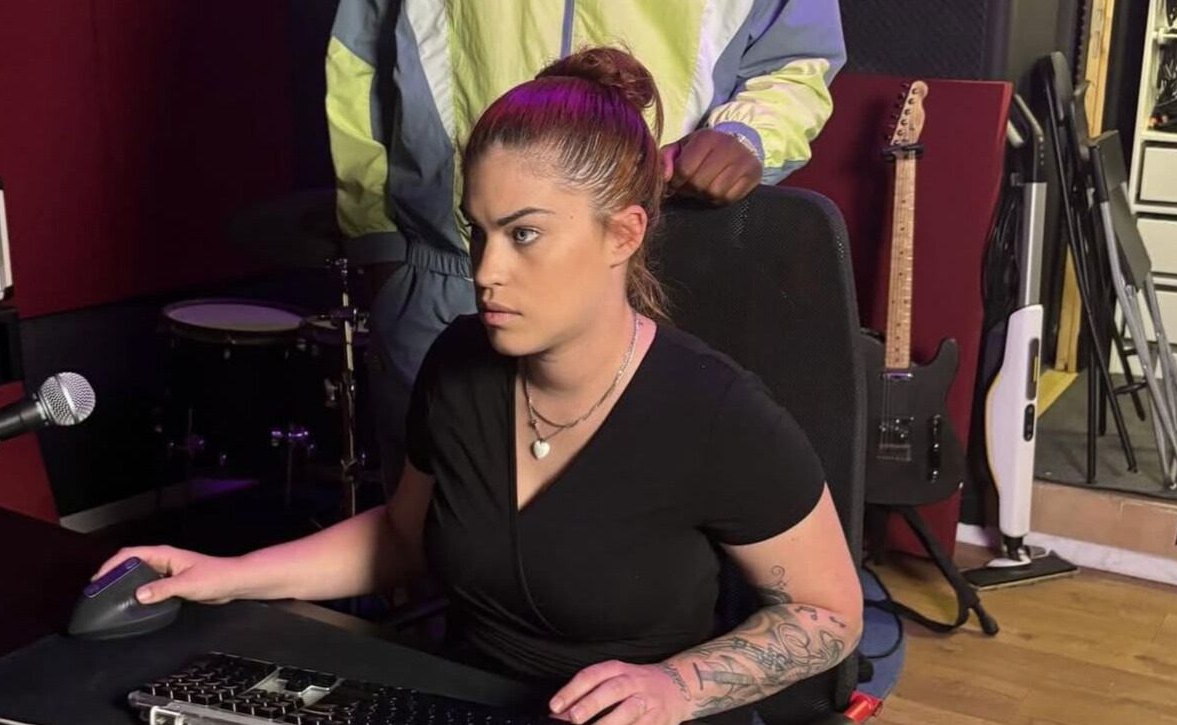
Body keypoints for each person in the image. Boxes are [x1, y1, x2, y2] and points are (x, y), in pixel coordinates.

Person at [96, 48, 861, 725]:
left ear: (623, 233)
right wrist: (226, 575)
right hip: (457, 698)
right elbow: (400, 539)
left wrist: (675, 685)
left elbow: (828, 612)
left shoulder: (715, 411)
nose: (486, 271)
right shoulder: (460, 362)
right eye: (478, 232)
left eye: (524, 234)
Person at [327, 0, 847, 489]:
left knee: (640, 529)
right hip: (441, 275)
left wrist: (747, 134)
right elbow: (357, 59)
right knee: (436, 531)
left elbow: (798, 58)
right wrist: (378, 243)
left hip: (651, 280)